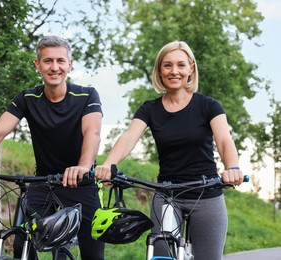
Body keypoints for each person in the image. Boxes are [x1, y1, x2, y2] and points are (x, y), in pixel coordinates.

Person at [94, 40, 244, 260]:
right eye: (167, 65)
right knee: (161, 255)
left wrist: (232, 167)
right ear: (159, 71)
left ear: (191, 68)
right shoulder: (150, 108)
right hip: (167, 195)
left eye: (181, 65)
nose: (174, 71)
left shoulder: (208, 106)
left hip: (206, 193)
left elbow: (224, 140)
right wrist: (108, 164)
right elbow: (128, 138)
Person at [0, 35, 105, 260]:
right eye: (48, 61)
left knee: (93, 252)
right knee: (22, 245)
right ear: (37, 65)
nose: (54, 67)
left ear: (70, 64)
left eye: (60, 61)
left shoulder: (87, 95)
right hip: (43, 182)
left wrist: (83, 166)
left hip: (81, 181)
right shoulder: (27, 98)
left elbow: (92, 132)